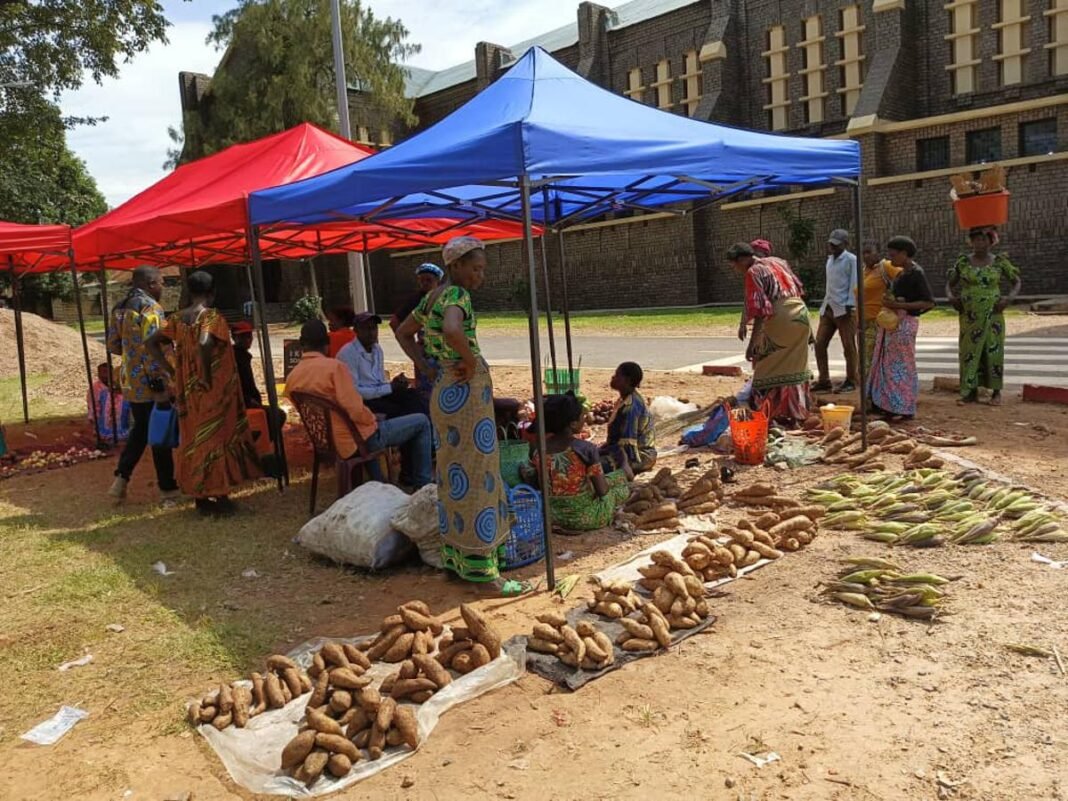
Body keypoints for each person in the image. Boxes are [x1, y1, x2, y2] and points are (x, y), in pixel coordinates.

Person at [395, 237, 509, 583]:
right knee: (479, 473)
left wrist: (428, 366)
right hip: (467, 394)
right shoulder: (457, 295)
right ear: (455, 265)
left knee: (453, 474)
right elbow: (452, 329)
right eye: (475, 269)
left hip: (444, 390)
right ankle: (483, 570)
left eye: (482, 270)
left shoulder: (431, 298)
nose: (480, 277)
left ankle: (457, 560)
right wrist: (471, 362)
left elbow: (403, 332)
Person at [146, 271, 262, 515]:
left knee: (194, 441)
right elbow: (204, 342)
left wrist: (172, 370)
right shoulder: (211, 317)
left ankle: (200, 497)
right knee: (214, 440)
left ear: (188, 292)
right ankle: (220, 496)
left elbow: (151, 342)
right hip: (212, 390)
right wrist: (207, 376)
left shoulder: (177, 318)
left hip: (188, 391)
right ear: (212, 293)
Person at [286, 319, 432, 489]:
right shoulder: (335, 368)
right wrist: (372, 420)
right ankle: (423, 484)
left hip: (326, 441)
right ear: (327, 343)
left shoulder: (292, 377)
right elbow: (355, 410)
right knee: (421, 421)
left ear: (302, 344)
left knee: (374, 424)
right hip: (355, 439)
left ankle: (381, 486)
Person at [106, 265, 179, 506]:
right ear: (150, 284)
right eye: (161, 282)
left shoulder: (119, 308)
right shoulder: (151, 308)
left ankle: (121, 480)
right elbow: (156, 347)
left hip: (132, 382)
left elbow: (113, 345)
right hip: (154, 382)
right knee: (161, 433)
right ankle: (168, 491)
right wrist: (169, 376)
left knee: (140, 431)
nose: (163, 287)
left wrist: (131, 354)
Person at [728, 242, 815, 426]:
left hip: (780, 318)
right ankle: (796, 410)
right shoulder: (778, 262)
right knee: (795, 364)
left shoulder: (753, 272)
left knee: (766, 365)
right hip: (800, 314)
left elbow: (761, 310)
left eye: (735, 265)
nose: (735, 269)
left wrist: (753, 344)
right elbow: (798, 288)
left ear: (743, 260)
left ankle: (772, 411)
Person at [520, 393, 631, 531]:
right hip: (585, 518)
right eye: (582, 417)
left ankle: (622, 472)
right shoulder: (586, 449)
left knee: (601, 479)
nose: (584, 420)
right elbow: (602, 491)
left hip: (551, 516)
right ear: (572, 424)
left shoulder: (537, 449)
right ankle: (625, 472)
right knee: (620, 489)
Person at [946, 227, 1021, 407]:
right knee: (968, 352)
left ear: (990, 241)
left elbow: (1016, 281)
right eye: (975, 240)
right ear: (970, 242)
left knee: (992, 351)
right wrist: (951, 298)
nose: (979, 244)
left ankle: (996, 392)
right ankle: (969, 392)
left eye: (983, 240)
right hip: (968, 315)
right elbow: (949, 284)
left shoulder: (999, 262)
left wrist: (1008, 299)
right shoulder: (963, 262)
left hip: (993, 314)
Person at [868, 237, 935, 421]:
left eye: (893, 254)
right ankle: (889, 404)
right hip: (894, 324)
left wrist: (902, 307)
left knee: (901, 366)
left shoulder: (916, 273)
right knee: (890, 365)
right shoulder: (901, 273)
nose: (890, 259)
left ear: (905, 253)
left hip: (905, 324)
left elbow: (928, 302)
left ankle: (902, 406)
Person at [337, 312, 427, 419]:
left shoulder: (377, 349)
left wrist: (395, 383)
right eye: (366, 329)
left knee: (412, 395)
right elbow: (355, 392)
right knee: (397, 410)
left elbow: (379, 381)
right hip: (362, 401)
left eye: (374, 328)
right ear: (356, 331)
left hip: (378, 394)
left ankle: (427, 426)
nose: (371, 333)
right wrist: (389, 388)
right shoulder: (348, 353)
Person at [813, 228, 859, 393]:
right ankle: (824, 379)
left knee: (848, 346)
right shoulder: (830, 260)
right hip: (829, 307)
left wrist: (850, 304)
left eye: (836, 244)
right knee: (819, 344)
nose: (832, 247)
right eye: (831, 244)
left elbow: (855, 282)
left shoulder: (851, 260)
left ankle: (852, 379)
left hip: (844, 308)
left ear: (846, 244)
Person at [390, 263, 445, 402]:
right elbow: (394, 322)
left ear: (438, 281)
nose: (424, 284)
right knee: (427, 392)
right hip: (426, 354)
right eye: (421, 280)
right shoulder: (416, 300)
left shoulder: (445, 298)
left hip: (446, 352)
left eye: (429, 280)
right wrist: (412, 344)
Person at [600, 361, 656, 475]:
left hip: (639, 456)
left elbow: (628, 447)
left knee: (594, 465)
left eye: (617, 375)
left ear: (628, 380)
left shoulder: (631, 408)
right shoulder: (624, 400)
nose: (613, 377)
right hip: (622, 451)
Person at [231, 320, 286, 433]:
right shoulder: (235, 357)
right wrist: (249, 401)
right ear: (234, 338)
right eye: (243, 337)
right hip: (244, 404)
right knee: (278, 415)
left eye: (249, 336)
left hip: (250, 401)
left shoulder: (243, 355)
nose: (247, 339)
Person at [860, 242, 902, 372]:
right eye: (863, 253)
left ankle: (875, 390)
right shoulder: (863, 271)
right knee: (866, 360)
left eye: (869, 252)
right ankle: (871, 389)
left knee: (873, 360)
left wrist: (894, 299)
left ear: (878, 253)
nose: (866, 256)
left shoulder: (886, 266)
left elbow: (905, 276)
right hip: (863, 322)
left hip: (878, 322)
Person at [88, 362, 131, 442]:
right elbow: (94, 407)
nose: (104, 376)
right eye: (101, 372)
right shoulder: (101, 392)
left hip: (122, 430)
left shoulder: (127, 395)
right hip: (104, 430)